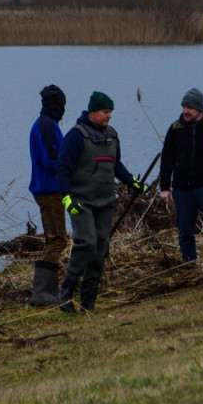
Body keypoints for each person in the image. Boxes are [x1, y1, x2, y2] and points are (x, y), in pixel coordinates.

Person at [55, 91, 142, 313]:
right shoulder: (76, 135)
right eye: (105, 112)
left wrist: (131, 181)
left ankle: (88, 301)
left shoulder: (112, 135)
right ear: (93, 112)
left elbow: (116, 165)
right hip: (81, 202)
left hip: (105, 202)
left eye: (111, 112)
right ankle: (65, 293)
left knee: (101, 248)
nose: (109, 116)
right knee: (86, 243)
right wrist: (67, 198)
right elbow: (62, 168)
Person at [159, 88, 203, 264]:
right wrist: (165, 187)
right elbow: (167, 158)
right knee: (185, 229)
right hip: (183, 189)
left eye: (189, 107)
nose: (185, 110)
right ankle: (189, 262)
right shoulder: (176, 128)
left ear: (199, 108)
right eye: (184, 106)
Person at [27, 84, 67, 307]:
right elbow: (51, 160)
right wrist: (68, 172)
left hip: (47, 188)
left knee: (53, 239)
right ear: (57, 105)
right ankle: (42, 292)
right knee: (58, 239)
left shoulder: (45, 123)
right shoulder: (46, 126)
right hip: (49, 189)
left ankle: (49, 291)